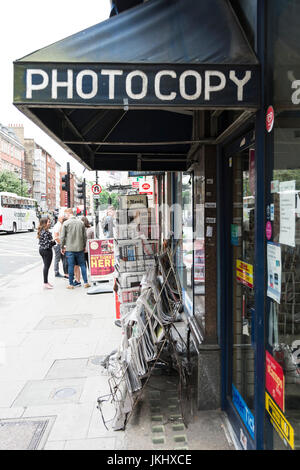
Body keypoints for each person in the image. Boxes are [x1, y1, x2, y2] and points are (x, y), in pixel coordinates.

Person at [60, 208, 91, 289]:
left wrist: (62, 247)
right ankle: (86, 282)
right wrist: (84, 246)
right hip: (80, 248)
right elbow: (84, 237)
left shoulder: (66, 223)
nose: (65, 215)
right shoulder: (81, 223)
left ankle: (71, 284)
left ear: (68, 213)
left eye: (65, 214)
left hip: (70, 249)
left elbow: (62, 237)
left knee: (71, 266)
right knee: (82, 265)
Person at [37, 217, 56, 289]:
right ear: (44, 223)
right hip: (46, 251)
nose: (49, 223)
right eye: (48, 222)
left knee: (46, 266)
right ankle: (45, 283)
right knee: (46, 266)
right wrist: (54, 241)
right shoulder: (45, 232)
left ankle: (46, 282)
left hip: (42, 250)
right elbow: (47, 244)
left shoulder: (42, 231)